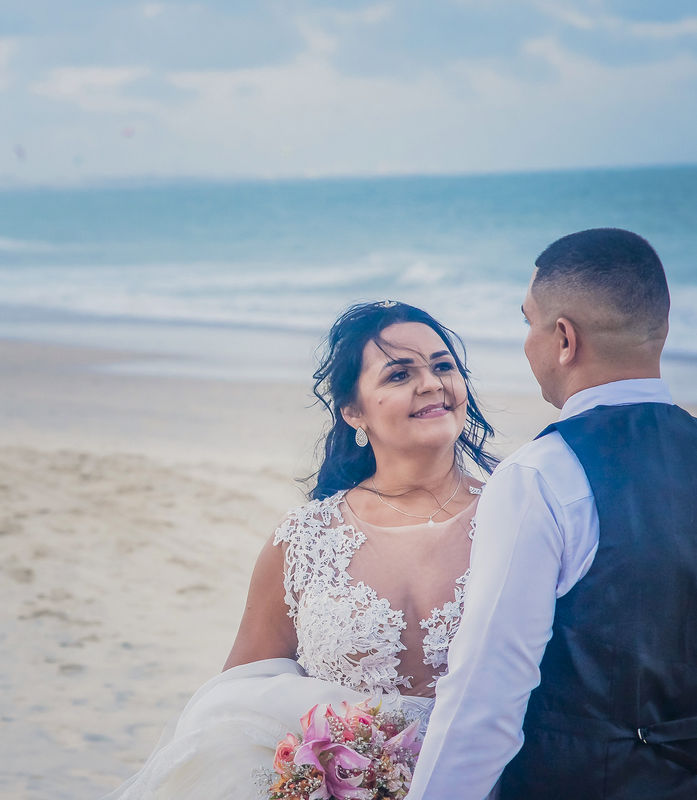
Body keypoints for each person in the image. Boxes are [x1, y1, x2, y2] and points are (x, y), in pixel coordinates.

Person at [106, 301, 499, 799]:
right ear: (354, 411)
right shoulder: (305, 540)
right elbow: (240, 700)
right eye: (400, 374)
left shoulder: (516, 518)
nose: (432, 383)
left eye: (444, 366)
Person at [408, 228, 697, 799]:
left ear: (564, 338)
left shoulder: (541, 475)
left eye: (527, 322)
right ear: (661, 329)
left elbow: (488, 693)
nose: (527, 342)